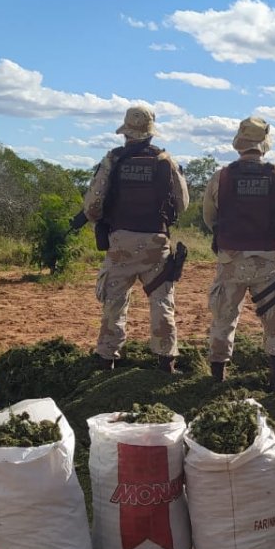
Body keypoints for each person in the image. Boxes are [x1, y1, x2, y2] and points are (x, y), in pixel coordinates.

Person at [82, 105, 190, 373]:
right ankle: (167, 363)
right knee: (162, 301)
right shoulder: (166, 160)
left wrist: (100, 220)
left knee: (114, 303)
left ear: (125, 131)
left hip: (120, 242)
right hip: (156, 241)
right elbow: (183, 202)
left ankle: (107, 360)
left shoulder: (113, 159)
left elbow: (93, 203)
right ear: (151, 133)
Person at [202, 117, 275, 390]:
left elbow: (210, 217)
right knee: (273, 315)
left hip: (231, 257)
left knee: (224, 315)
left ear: (240, 143)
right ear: (264, 145)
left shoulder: (221, 176)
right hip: (268, 258)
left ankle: (218, 376)